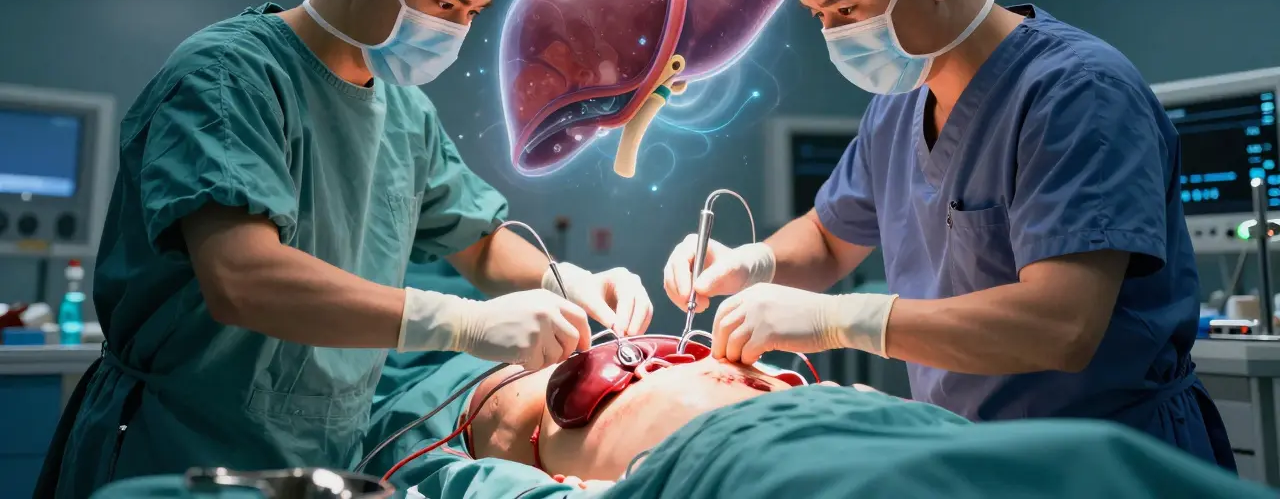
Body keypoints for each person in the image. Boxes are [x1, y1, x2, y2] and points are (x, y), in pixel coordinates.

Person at [38, 0, 652, 498]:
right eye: (444, 3)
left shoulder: (404, 110)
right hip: (182, 438)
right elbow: (241, 280)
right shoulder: (228, 76)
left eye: (473, 12)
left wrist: (565, 280)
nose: (457, 30)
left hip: (329, 447)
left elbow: (478, 241)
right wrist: (460, 323)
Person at [661, 0, 1234, 470]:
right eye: (820, 17)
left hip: (1107, 459)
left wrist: (838, 320)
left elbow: (1062, 325)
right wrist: (752, 262)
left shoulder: (1077, 93)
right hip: (972, 454)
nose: (835, 34)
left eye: (847, 8)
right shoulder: (901, 102)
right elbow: (829, 240)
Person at [91, 337, 1272, 499]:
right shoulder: (451, 445)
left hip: (928, 437)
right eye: (551, 382)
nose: (652, 345)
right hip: (737, 466)